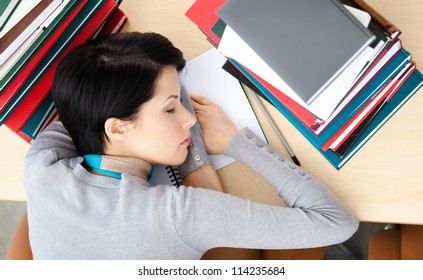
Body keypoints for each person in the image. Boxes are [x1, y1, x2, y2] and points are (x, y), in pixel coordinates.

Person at [24, 32, 358, 259]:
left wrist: (191, 156)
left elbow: (88, 99)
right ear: (118, 128)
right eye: (171, 109)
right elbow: (335, 222)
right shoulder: (179, 215)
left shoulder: (41, 164)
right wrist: (235, 143)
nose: (190, 119)